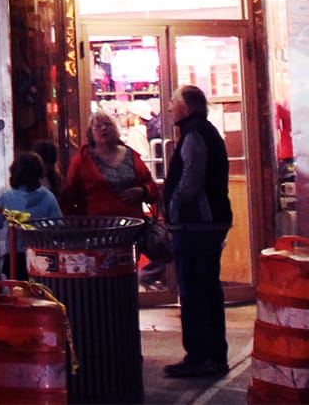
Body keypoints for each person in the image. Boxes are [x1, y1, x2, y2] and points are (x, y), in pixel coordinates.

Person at [162, 85, 233, 381]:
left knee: (194, 291)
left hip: (197, 225)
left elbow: (192, 177)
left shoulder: (194, 133)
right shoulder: (204, 131)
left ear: (187, 108)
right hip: (206, 223)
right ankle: (213, 356)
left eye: (174, 102)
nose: (169, 107)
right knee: (207, 290)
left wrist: (175, 204)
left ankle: (200, 357)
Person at [61, 111, 159, 217]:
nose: (103, 128)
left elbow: (152, 187)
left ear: (115, 129)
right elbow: (69, 197)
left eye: (108, 124)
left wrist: (143, 191)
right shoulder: (81, 160)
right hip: (98, 227)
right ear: (91, 133)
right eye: (97, 126)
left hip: (134, 226)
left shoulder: (131, 155)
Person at [0, 151, 62, 277]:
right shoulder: (48, 197)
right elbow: (58, 225)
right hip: (41, 254)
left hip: (15, 255)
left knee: (17, 293)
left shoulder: (7, 198)